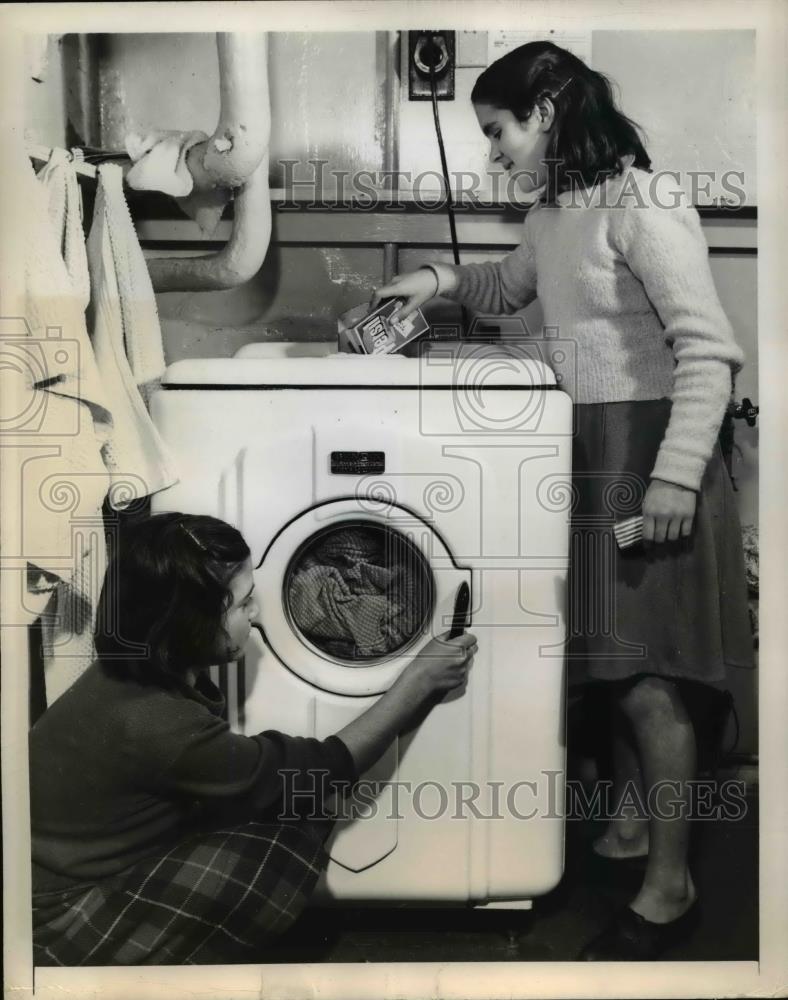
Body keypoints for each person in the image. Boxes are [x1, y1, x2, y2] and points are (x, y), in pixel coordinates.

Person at [372, 40, 754, 960]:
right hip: (589, 453)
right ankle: (628, 832)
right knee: (615, 669)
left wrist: (671, 477)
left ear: (546, 107)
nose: (494, 152)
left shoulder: (644, 200)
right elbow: (510, 287)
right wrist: (434, 282)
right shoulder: (556, 213)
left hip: (652, 454)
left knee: (653, 681)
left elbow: (708, 349)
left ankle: (671, 886)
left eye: (499, 130)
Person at [29, 512, 477, 966]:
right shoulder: (155, 721)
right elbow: (321, 770)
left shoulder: (130, 674)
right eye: (243, 604)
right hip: (52, 920)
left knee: (264, 803)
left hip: (47, 882)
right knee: (284, 837)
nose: (257, 612)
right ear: (189, 625)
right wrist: (415, 681)